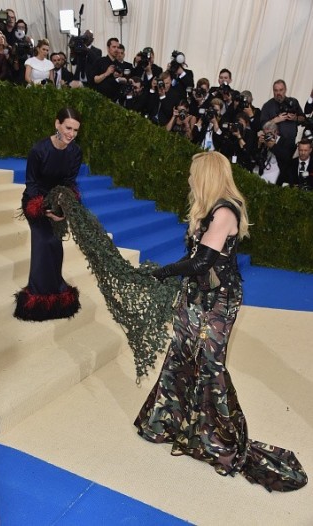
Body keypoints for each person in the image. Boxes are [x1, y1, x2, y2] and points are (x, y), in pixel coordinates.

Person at [134, 151, 308, 492]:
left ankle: (220, 442)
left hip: (218, 301)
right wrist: (173, 276)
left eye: (192, 173)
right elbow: (194, 258)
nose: (188, 179)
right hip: (196, 297)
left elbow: (202, 263)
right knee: (181, 355)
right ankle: (166, 423)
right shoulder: (208, 211)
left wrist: (164, 272)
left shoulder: (225, 210)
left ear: (206, 176)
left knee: (210, 365)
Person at [13, 107, 82, 321]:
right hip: (35, 201)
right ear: (57, 124)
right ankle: (37, 296)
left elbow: (69, 183)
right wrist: (44, 209)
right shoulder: (39, 150)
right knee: (44, 242)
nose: (71, 134)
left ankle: (55, 291)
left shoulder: (75, 152)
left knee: (55, 245)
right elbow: (31, 184)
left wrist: (61, 209)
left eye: (76, 130)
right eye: (68, 127)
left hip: (58, 201)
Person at [260, 79, 304, 154]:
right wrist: (275, 120)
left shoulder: (293, 102)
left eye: (281, 90)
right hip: (273, 144)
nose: (278, 93)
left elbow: (303, 119)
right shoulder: (267, 106)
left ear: (285, 90)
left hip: (290, 144)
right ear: (273, 91)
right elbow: (262, 125)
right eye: (276, 90)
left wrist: (295, 118)